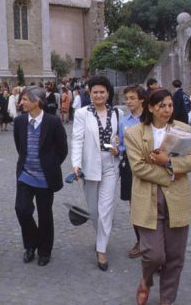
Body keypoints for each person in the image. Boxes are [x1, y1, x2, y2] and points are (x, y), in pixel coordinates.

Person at [124, 89, 191, 305]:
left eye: (169, 106)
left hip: (177, 199)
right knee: (153, 254)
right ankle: (146, 280)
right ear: (150, 107)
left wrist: (168, 162)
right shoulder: (135, 133)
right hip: (148, 198)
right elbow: (139, 168)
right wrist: (172, 174)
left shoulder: (182, 130)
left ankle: (167, 299)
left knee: (175, 256)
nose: (166, 110)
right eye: (161, 106)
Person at [71, 75, 123, 271]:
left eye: (102, 92)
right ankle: (100, 236)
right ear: (90, 94)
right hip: (90, 166)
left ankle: (101, 249)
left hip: (110, 165)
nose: (99, 95)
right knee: (94, 211)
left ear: (108, 93)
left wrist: (117, 148)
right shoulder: (82, 113)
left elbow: (116, 140)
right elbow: (77, 140)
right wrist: (76, 164)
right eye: (95, 92)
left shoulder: (117, 113)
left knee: (106, 209)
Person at [13, 86, 68, 267]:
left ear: (36, 101)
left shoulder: (53, 122)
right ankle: (31, 243)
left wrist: (50, 165)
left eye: (25, 100)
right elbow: (19, 145)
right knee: (21, 209)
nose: (21, 103)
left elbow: (62, 149)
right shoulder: (20, 122)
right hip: (25, 175)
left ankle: (45, 250)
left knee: (45, 215)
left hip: (45, 178)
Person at [117, 85, 145, 259]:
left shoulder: (149, 119)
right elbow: (120, 144)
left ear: (142, 99)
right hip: (128, 164)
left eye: (132, 98)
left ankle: (151, 241)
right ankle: (140, 240)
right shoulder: (124, 121)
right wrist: (116, 149)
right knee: (133, 205)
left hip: (147, 163)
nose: (128, 102)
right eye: (126, 98)